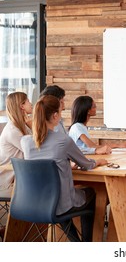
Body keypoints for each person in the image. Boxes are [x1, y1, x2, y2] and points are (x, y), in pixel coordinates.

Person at [21, 95, 108, 242]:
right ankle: (86, 244)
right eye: (60, 113)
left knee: (58, 199)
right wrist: (98, 162)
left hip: (34, 202)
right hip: (60, 204)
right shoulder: (63, 140)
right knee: (91, 193)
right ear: (55, 116)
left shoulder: (25, 142)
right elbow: (87, 165)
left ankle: (76, 242)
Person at [0, 92, 33, 193]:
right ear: (21, 106)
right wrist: (32, 126)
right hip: (11, 178)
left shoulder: (22, 126)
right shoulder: (13, 130)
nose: (31, 103)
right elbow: (35, 150)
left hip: (22, 173)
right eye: (28, 101)